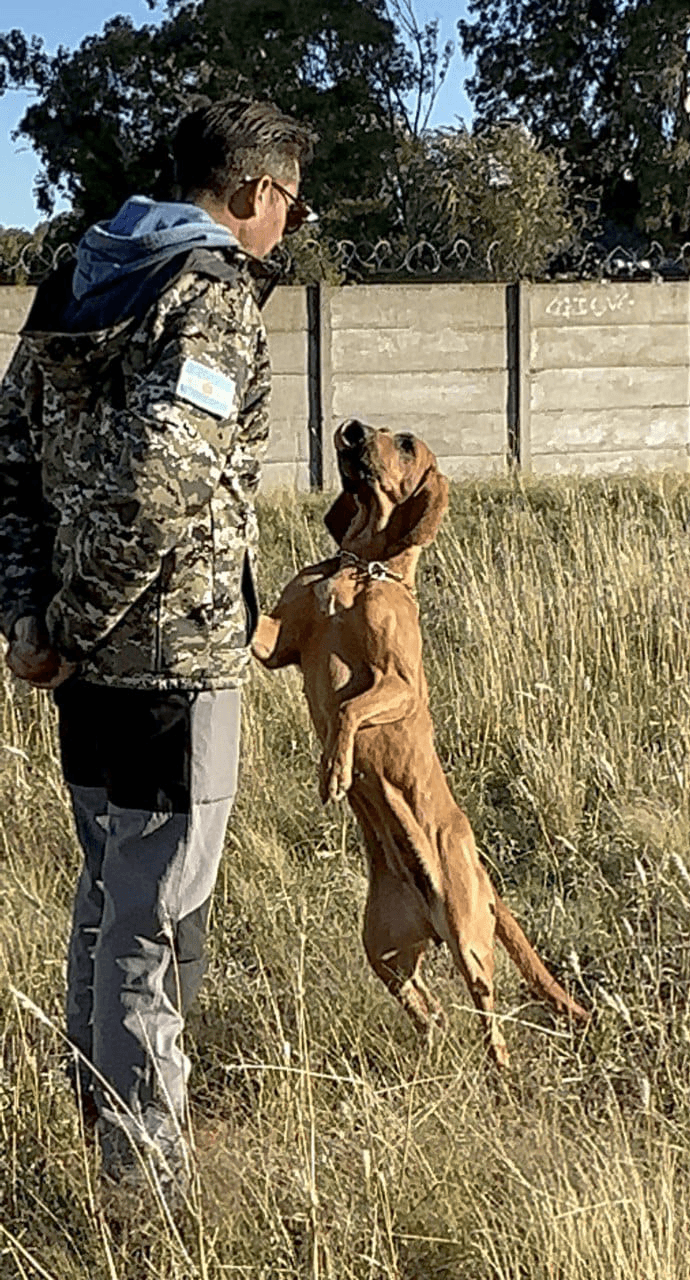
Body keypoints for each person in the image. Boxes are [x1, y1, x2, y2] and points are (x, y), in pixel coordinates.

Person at [0, 96, 315, 1194]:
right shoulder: (212, 298)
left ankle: (101, 1119)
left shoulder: (76, 279)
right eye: (286, 199)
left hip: (81, 672)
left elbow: (12, 465)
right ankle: (147, 1194)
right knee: (156, 922)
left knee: (108, 891)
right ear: (250, 194)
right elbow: (159, 484)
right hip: (172, 668)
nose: (290, 218)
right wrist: (79, 624)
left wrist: (34, 624)